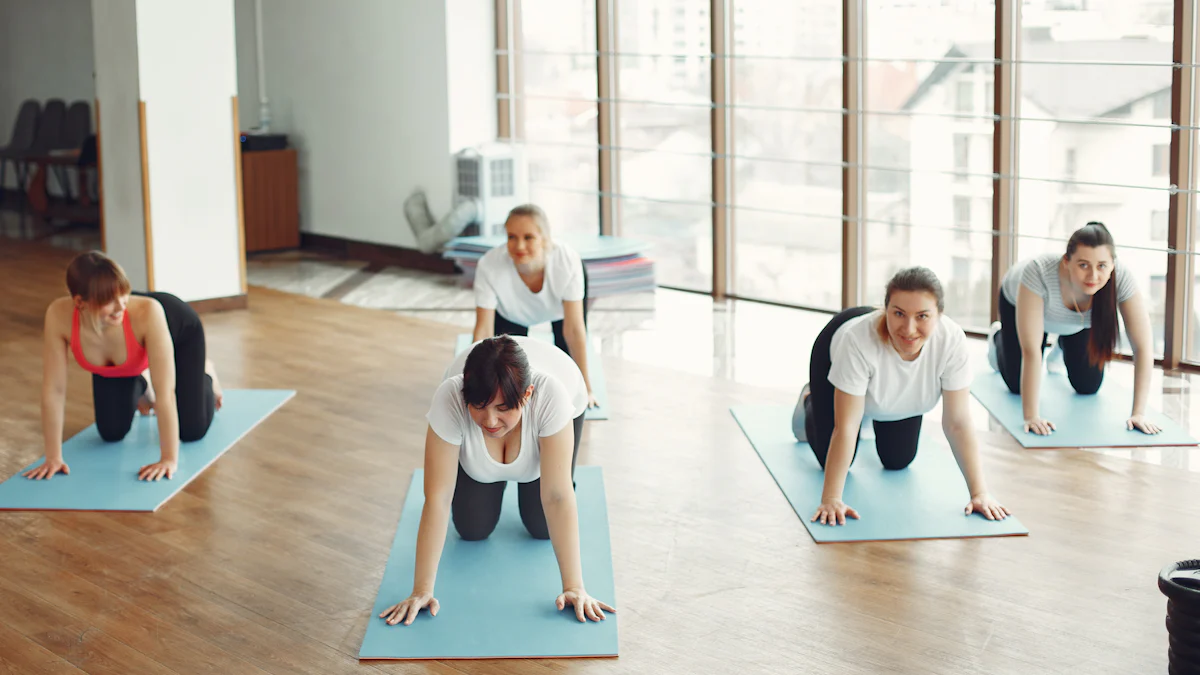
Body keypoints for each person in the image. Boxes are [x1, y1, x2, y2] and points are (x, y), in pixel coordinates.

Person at [379, 335, 615, 625]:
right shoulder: (450, 397)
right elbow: (437, 498)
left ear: (527, 395)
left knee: (542, 526)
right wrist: (421, 590)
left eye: (503, 409)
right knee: (472, 529)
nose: (490, 421)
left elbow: (556, 497)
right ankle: (495, 474)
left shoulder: (552, 396)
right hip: (485, 420)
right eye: (478, 406)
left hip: (559, 395)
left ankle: (540, 469)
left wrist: (574, 587)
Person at [792, 266, 1011, 527]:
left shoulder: (951, 341)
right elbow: (846, 427)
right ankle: (810, 399)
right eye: (898, 313)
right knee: (829, 458)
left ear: (939, 315)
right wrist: (831, 499)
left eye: (922, 316)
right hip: (834, 356)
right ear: (885, 310)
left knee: (898, 460)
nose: (909, 329)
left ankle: (867, 403)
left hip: (887, 393)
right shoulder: (856, 340)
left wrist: (979, 493)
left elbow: (957, 423)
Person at [24, 251, 224, 482]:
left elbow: (165, 393)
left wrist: (168, 459)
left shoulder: (148, 312)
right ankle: (141, 379)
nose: (121, 305)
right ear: (79, 302)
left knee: (191, 430)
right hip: (121, 354)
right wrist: (53, 457)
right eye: (109, 300)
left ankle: (205, 373)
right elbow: (54, 390)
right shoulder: (58, 315)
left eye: (124, 293)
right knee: (111, 431)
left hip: (180, 334)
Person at [986, 221, 1160, 437]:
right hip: (1019, 304)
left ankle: (1062, 343)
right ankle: (998, 339)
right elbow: (1031, 351)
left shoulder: (1122, 279)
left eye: (1102, 266)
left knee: (1087, 385)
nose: (1093, 276)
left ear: (1112, 264)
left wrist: (1139, 413)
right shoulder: (1038, 272)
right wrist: (1032, 416)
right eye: (1083, 265)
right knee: (1016, 385)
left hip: (1076, 322)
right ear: (1066, 261)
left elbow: (1143, 348)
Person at [470, 204, 599, 410]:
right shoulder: (489, 265)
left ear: (545, 239)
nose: (519, 246)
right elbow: (483, 330)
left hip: (558, 310)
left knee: (565, 369)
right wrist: (471, 382)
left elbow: (575, 330)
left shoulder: (567, 261)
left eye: (528, 237)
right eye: (512, 237)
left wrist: (586, 389)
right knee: (507, 371)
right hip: (512, 314)